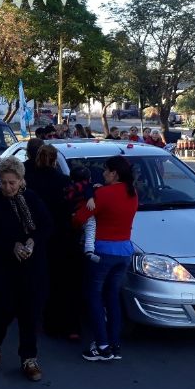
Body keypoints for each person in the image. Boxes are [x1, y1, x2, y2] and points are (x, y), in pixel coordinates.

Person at [0, 156, 52, 382]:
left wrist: (32, 241)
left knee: (29, 313)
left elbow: (47, 225)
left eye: (12, 182)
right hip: (3, 268)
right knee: (3, 311)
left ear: (21, 180)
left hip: (31, 268)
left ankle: (29, 358)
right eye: (4, 182)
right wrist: (11, 245)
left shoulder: (31, 198)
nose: (8, 187)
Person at [73, 155, 138, 362]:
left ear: (114, 173)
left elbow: (79, 219)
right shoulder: (132, 192)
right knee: (112, 298)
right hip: (124, 251)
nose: (102, 173)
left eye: (105, 170)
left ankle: (101, 345)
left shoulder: (103, 194)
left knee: (94, 297)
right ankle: (114, 343)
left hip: (102, 252)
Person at [25, 145, 80, 339]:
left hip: (38, 236)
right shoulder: (64, 181)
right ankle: (69, 325)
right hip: (63, 237)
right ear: (55, 159)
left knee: (41, 280)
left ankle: (44, 321)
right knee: (63, 281)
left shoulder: (29, 179)